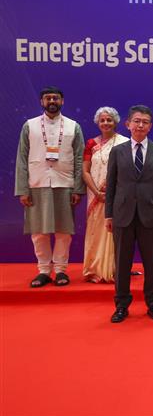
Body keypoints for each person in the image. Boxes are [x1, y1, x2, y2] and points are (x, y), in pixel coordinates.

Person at [106, 105, 153, 323]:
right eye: (136, 121)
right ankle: (121, 305)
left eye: (145, 122)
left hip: (151, 215)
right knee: (122, 263)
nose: (140, 125)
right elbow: (112, 185)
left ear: (150, 126)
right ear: (128, 124)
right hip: (122, 214)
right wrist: (109, 215)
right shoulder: (117, 151)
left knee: (151, 264)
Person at [15, 86, 85, 288]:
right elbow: (21, 158)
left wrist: (78, 188)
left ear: (62, 101)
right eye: (48, 98)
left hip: (65, 184)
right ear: (42, 102)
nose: (52, 101)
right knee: (39, 232)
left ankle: (61, 270)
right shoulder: (30, 125)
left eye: (56, 98)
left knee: (64, 231)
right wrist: (22, 189)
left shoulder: (73, 126)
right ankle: (44, 271)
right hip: (36, 183)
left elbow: (80, 159)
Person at [82, 107, 129, 283]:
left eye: (109, 120)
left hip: (117, 193)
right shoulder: (91, 144)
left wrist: (110, 189)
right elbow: (85, 171)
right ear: (97, 122)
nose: (106, 123)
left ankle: (112, 269)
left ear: (115, 122)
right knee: (95, 230)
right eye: (102, 120)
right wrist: (96, 191)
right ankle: (94, 269)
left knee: (113, 230)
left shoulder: (124, 142)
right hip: (95, 195)